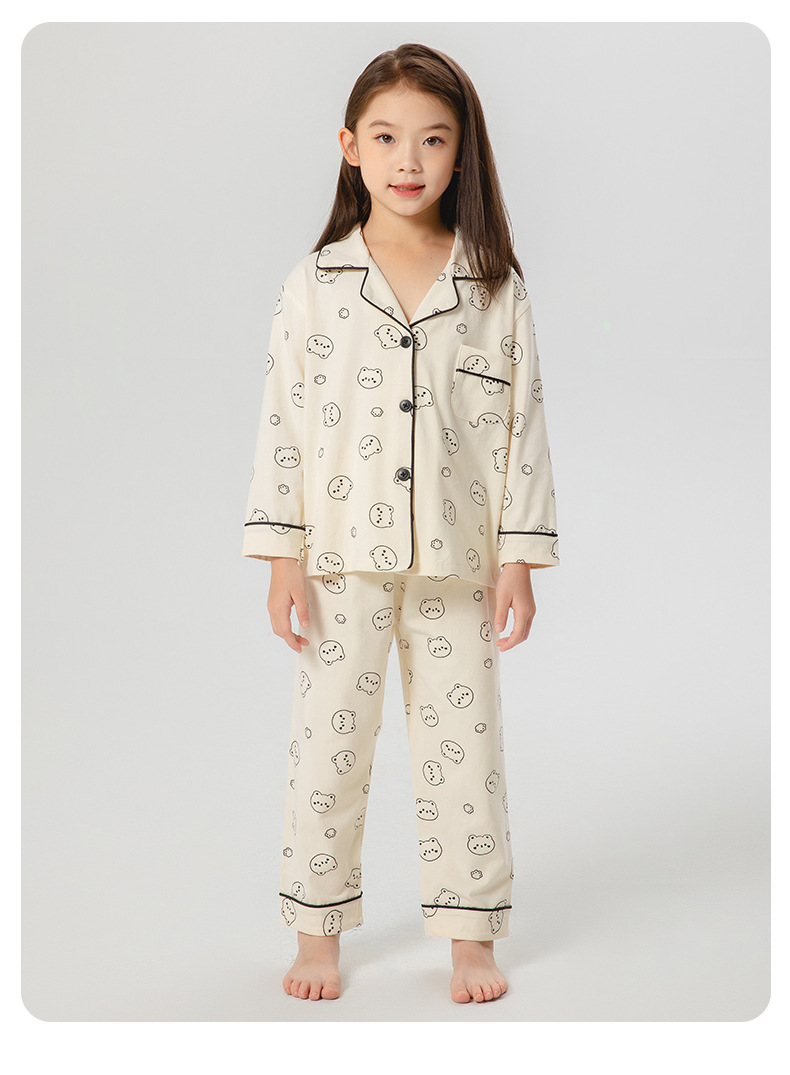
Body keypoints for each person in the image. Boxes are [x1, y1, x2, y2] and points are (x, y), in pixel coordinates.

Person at [242, 42, 560, 1004]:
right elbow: (285, 423)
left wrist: (520, 558)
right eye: (385, 138)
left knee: (467, 753)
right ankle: (316, 931)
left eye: (432, 139)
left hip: (461, 562)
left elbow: (521, 426)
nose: (408, 159)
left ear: (462, 155)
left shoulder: (494, 286)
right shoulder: (316, 283)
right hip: (339, 559)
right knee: (329, 747)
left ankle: (471, 935)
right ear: (350, 147)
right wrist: (281, 556)